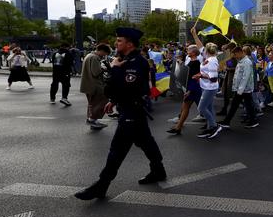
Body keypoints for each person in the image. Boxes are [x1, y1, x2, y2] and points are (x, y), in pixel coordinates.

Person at [75, 28, 166, 200]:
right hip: (130, 109)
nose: (116, 44)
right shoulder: (124, 60)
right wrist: (114, 101)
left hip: (132, 111)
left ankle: (102, 185)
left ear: (129, 44)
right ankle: (158, 170)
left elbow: (127, 87)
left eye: (119, 41)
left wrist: (114, 70)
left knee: (117, 150)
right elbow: (116, 90)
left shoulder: (137, 62)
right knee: (146, 142)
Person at [219, 46, 259, 129]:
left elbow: (245, 76)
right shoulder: (242, 61)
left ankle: (227, 121)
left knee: (235, 105)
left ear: (240, 52)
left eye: (235, 54)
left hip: (243, 89)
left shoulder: (247, 62)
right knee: (248, 105)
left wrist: (240, 89)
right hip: (242, 89)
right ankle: (253, 120)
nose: (235, 56)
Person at [167, 45, 202, 135]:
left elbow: (194, 78)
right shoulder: (192, 61)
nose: (187, 51)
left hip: (192, 88)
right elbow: (186, 74)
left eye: (189, 50)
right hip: (190, 87)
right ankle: (179, 125)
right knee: (185, 107)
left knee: (187, 107)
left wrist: (189, 90)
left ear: (193, 52)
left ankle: (178, 127)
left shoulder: (196, 63)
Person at [79, 43, 112, 130]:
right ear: (101, 51)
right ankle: (92, 119)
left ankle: (93, 120)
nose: (104, 56)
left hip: (88, 84)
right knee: (102, 101)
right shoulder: (94, 57)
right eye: (105, 54)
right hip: (94, 85)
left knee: (92, 103)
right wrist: (104, 69)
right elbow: (96, 72)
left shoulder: (89, 55)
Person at [196, 42, 221, 139]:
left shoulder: (212, 61)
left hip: (210, 88)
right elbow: (200, 46)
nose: (203, 50)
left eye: (204, 49)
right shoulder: (209, 58)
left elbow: (214, 78)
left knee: (201, 108)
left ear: (207, 50)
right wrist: (194, 33)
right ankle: (211, 126)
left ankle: (214, 126)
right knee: (209, 108)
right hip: (206, 87)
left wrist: (201, 75)